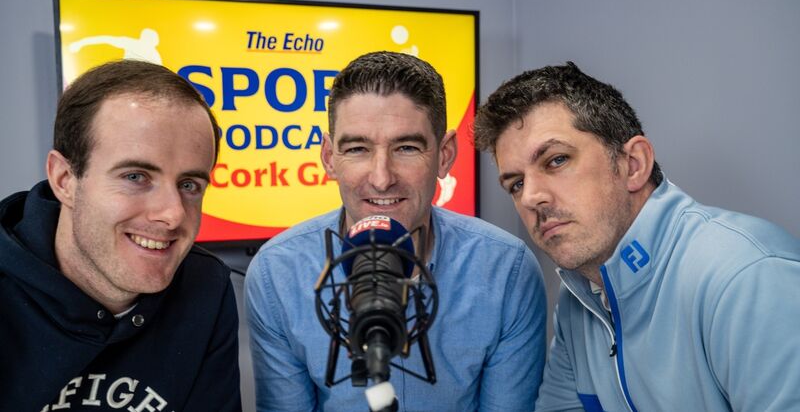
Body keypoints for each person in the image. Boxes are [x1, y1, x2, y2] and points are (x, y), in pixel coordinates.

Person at [473, 61, 800, 411]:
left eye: (556, 160)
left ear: (634, 164)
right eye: (516, 184)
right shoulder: (578, 298)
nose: (530, 197)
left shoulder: (748, 277)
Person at [246, 51, 547, 411]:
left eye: (406, 147)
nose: (381, 178)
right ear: (329, 158)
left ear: (445, 155)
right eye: (357, 148)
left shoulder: (507, 270)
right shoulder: (276, 274)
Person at [0, 60, 241, 411]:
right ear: (64, 180)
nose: (173, 214)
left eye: (189, 185)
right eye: (135, 177)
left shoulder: (204, 286)